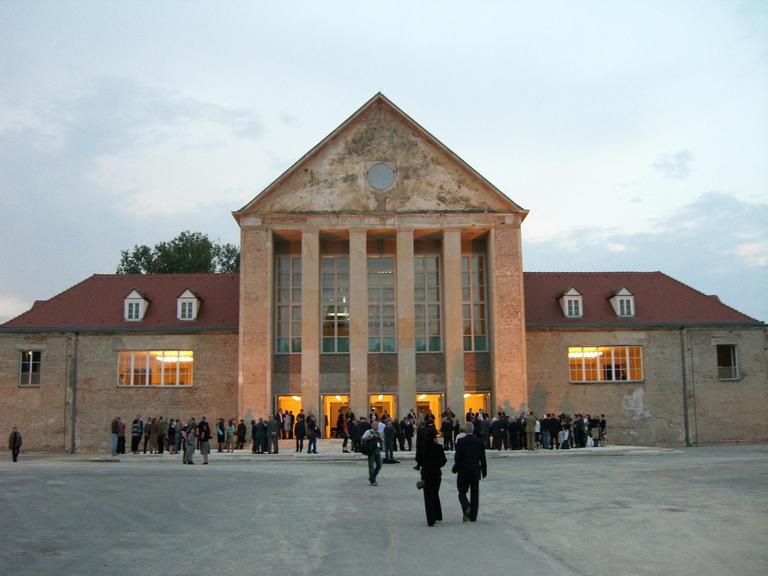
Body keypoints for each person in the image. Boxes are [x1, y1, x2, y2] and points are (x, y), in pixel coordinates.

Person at [453, 421, 487, 522]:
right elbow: (483, 458)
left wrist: (455, 468)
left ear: (464, 430)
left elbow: (457, 458)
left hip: (463, 470)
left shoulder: (460, 442)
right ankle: (473, 516)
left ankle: (466, 506)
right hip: (475, 470)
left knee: (462, 492)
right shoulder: (479, 442)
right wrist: (484, 471)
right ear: (473, 430)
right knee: (475, 493)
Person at [420, 427, 447, 526]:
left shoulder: (423, 447)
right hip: (436, 473)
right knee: (435, 493)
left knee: (428, 496)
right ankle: (437, 515)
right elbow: (444, 460)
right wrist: (436, 465)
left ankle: (431, 519)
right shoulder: (439, 447)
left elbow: (419, 460)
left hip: (426, 473)